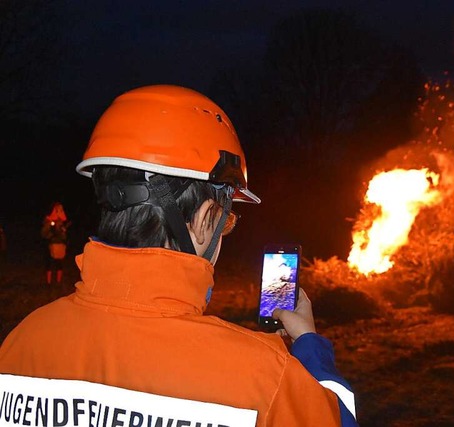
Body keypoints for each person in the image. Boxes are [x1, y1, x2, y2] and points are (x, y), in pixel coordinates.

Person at [0, 85, 357, 426]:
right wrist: (311, 349)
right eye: (226, 221)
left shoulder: (20, 342)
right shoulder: (267, 378)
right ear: (204, 219)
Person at [40, 201, 71, 284]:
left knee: (59, 262)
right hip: (50, 243)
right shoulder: (48, 220)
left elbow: (64, 235)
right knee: (49, 262)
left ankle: (58, 281)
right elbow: (44, 233)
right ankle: (48, 282)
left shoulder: (61, 222)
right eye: (57, 210)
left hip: (59, 244)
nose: (59, 211)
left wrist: (63, 232)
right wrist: (51, 231)